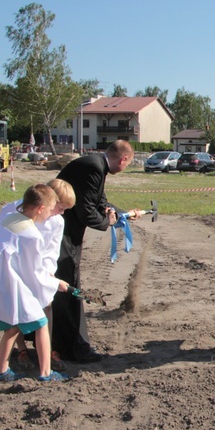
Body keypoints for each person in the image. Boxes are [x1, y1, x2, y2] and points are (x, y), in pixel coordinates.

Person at [53, 140, 142, 363]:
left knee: (66, 287)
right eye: (127, 164)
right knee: (68, 288)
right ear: (123, 160)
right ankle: (73, 349)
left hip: (67, 235)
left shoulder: (96, 166)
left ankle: (64, 345)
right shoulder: (94, 168)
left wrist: (124, 214)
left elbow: (100, 202)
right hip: (62, 236)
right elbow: (87, 212)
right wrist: (108, 222)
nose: (125, 168)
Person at [0, 184, 70, 383]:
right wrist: (55, 282)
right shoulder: (31, 235)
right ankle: (46, 373)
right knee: (41, 323)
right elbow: (34, 271)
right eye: (51, 210)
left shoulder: (9, 219)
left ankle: (0, 372)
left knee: (12, 327)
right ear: (41, 209)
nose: (52, 215)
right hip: (12, 286)